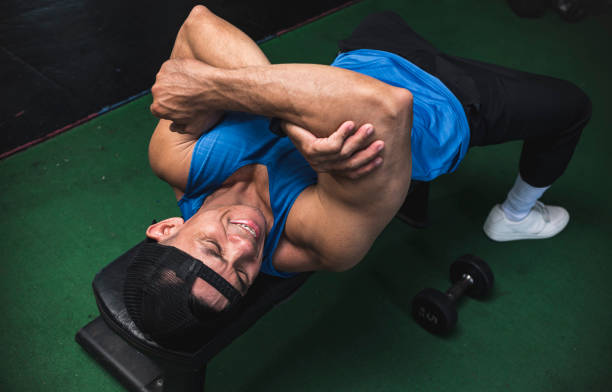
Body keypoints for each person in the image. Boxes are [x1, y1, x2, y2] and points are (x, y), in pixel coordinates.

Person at [123, 7, 591, 347]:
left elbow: (197, 25)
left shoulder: (178, 157)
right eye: (244, 275)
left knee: (383, 15)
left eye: (210, 249)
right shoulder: (318, 243)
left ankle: (399, 193)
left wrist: (283, 120)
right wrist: (223, 89)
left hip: (369, 52)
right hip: (454, 103)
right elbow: (389, 106)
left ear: (167, 229)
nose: (245, 247)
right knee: (572, 107)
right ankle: (514, 215)